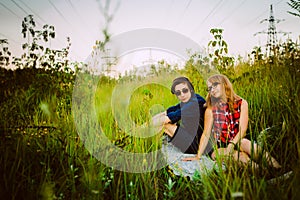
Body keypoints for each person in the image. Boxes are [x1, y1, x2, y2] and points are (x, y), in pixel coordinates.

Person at [183, 74, 281, 169]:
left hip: (237, 140)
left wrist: (232, 145)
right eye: (209, 88)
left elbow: (243, 130)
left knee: (246, 143)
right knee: (240, 157)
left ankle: (278, 168)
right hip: (218, 146)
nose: (212, 89)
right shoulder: (211, 108)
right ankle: (264, 174)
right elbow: (206, 133)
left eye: (215, 85)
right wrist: (198, 156)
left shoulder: (242, 103)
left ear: (224, 83)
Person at [151, 76, 210, 154]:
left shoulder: (195, 103)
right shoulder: (190, 99)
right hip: (190, 137)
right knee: (166, 121)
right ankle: (151, 145)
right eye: (178, 93)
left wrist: (146, 126)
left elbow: (167, 119)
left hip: (197, 145)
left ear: (191, 89)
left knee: (165, 125)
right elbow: (168, 111)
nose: (182, 94)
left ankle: (151, 148)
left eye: (185, 90)